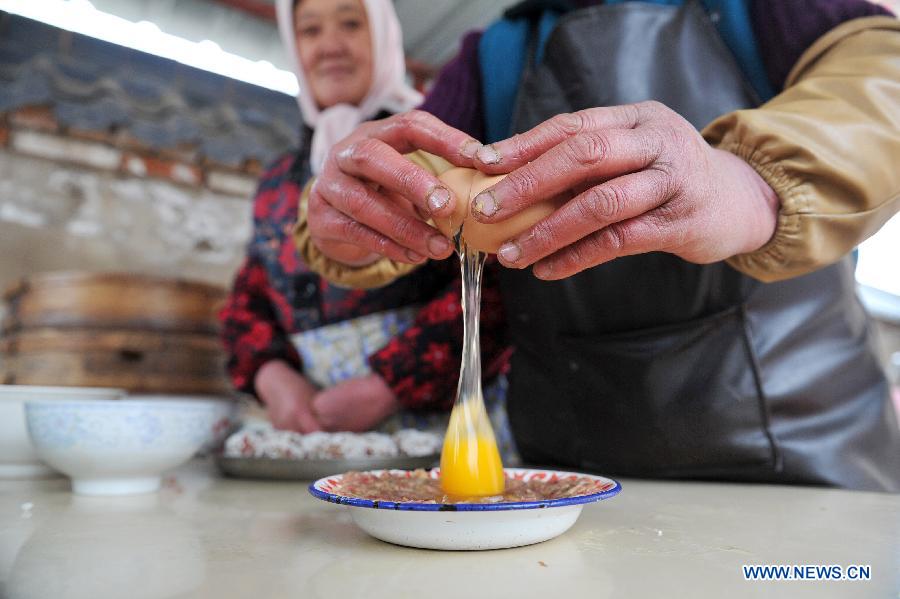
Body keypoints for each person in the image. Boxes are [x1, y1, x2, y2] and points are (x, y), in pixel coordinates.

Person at [295, 0, 900, 491]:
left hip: (791, 458)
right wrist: (351, 219)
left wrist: (749, 184)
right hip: (569, 472)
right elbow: (412, 182)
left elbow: (885, 78)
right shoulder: (496, 54)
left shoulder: (763, 11)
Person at [219, 0, 515, 458]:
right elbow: (250, 293)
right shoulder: (279, 179)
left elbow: (495, 279)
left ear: (384, 35)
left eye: (352, 23)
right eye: (311, 30)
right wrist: (273, 376)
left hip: (436, 424)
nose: (331, 46)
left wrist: (389, 383)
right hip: (317, 432)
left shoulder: (438, 143)